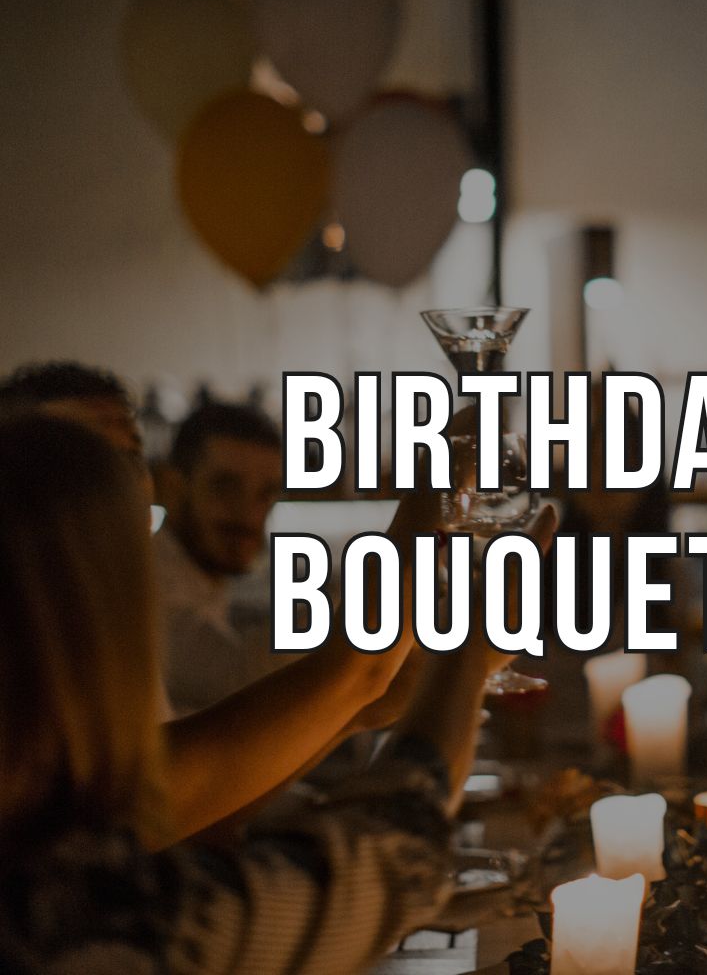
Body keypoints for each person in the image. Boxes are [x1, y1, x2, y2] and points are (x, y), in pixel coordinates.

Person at [0, 413, 557, 971]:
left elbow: (193, 812)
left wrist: (357, 712)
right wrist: (464, 654)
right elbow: (390, 854)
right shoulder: (79, 917)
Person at [0, 362, 475, 846]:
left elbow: (183, 819)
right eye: (83, 460)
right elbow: (139, 808)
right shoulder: (52, 636)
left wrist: (354, 715)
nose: (249, 515)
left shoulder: (106, 612)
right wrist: (424, 511)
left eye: (129, 458)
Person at [155, 400, 289, 716]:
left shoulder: (202, 578)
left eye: (265, 494)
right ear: (172, 488)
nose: (248, 515)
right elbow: (243, 679)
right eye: (226, 487)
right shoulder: (145, 580)